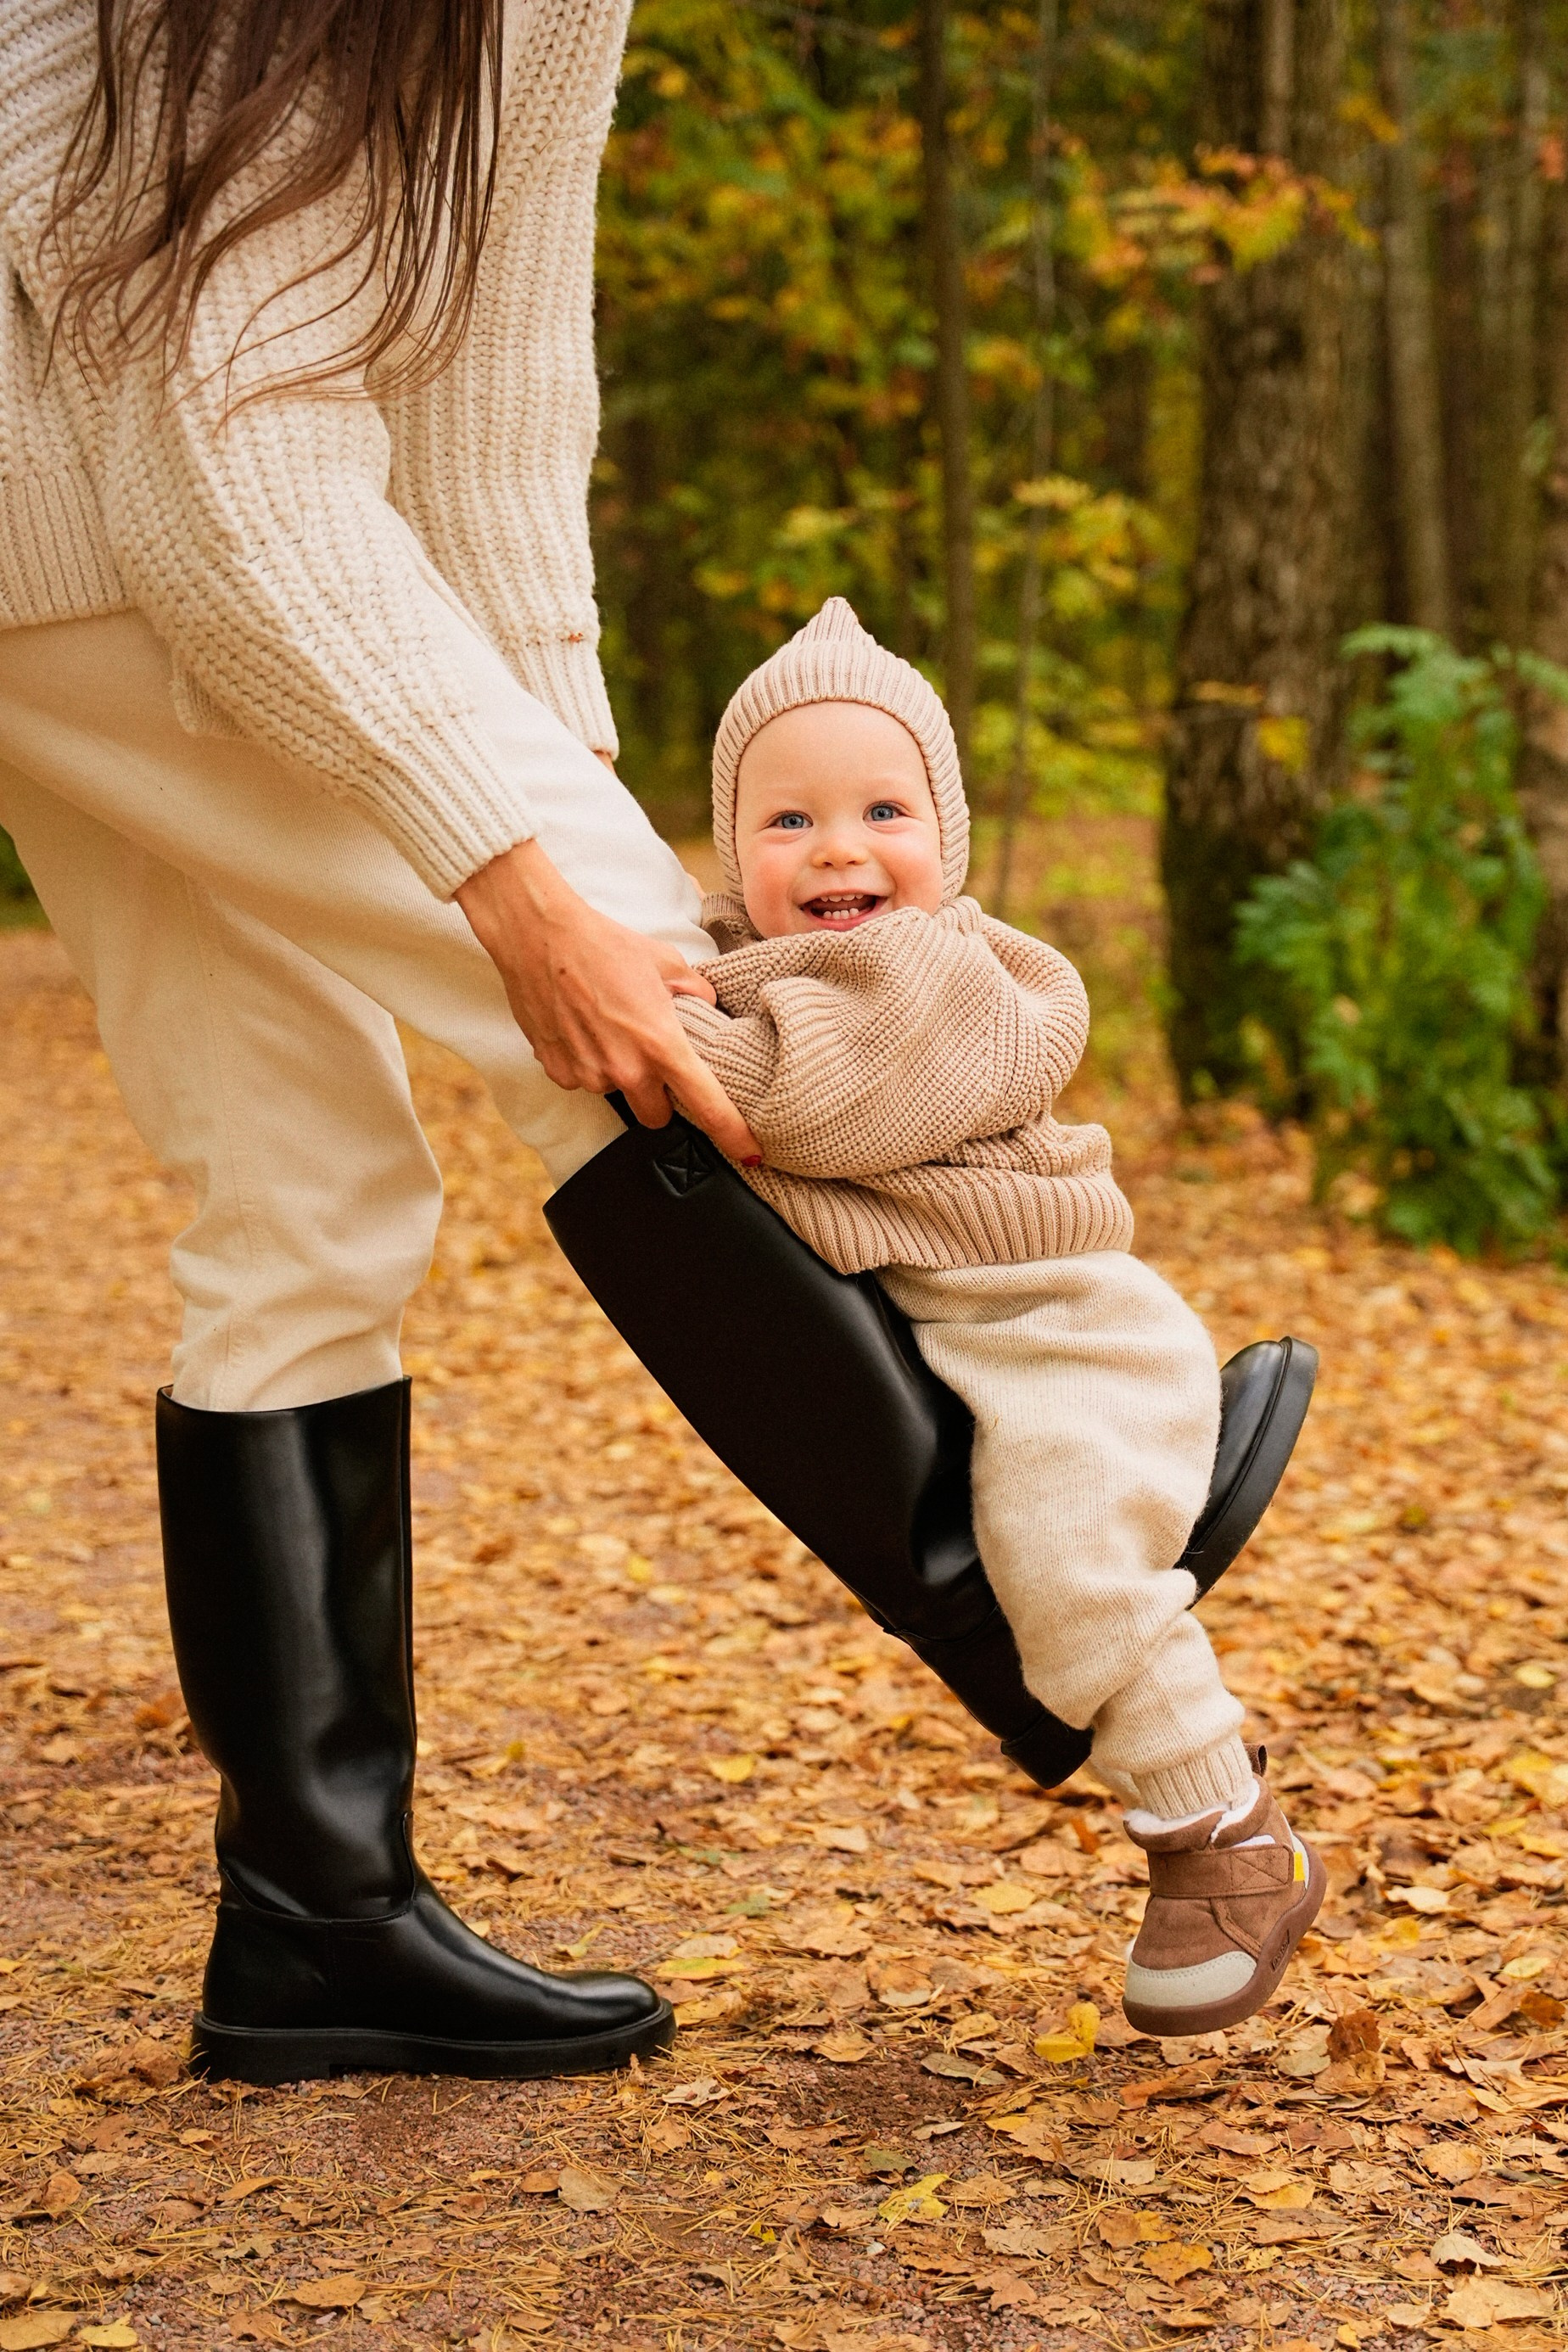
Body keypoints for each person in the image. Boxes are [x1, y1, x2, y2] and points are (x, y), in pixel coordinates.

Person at [0, 0, 759, 2084]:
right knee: (671, 1009)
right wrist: (522, 867)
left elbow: (497, 381)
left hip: (63, 531)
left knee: (301, 1194)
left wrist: (555, 729)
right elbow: (223, 395)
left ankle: (312, 1923)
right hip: (119, 522)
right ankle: (1051, 1545)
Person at [675, 598, 1326, 2036]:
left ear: (946, 838)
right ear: (732, 852)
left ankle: (1225, 1829)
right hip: (959, 1334)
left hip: (1065, 1326)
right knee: (985, 1560)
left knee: (1063, 1547)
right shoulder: (750, 973)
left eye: (882, 811)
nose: (837, 848)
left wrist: (674, 1018)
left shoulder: (952, 975)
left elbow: (811, 1107)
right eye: (788, 820)